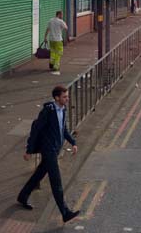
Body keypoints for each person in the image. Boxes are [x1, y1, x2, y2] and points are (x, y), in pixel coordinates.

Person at [17, 85, 81, 223]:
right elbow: (36, 130)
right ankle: (65, 212)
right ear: (56, 97)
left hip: (55, 149)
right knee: (56, 181)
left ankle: (23, 196)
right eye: (64, 97)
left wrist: (73, 142)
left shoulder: (62, 110)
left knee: (39, 174)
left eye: (67, 96)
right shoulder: (48, 111)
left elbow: (63, 129)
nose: (67, 99)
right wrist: (29, 150)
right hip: (48, 150)